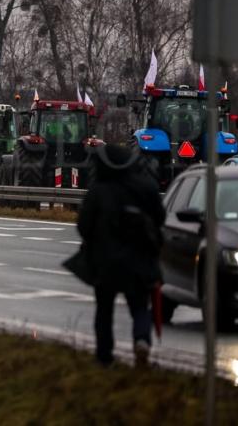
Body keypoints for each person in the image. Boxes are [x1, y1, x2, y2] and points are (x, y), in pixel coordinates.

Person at [77, 145, 166, 367]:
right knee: (139, 307)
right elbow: (160, 218)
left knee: (104, 309)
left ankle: (104, 356)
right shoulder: (147, 187)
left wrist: (94, 242)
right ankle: (142, 341)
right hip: (140, 259)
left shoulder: (99, 190)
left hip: (106, 261)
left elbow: (83, 225)